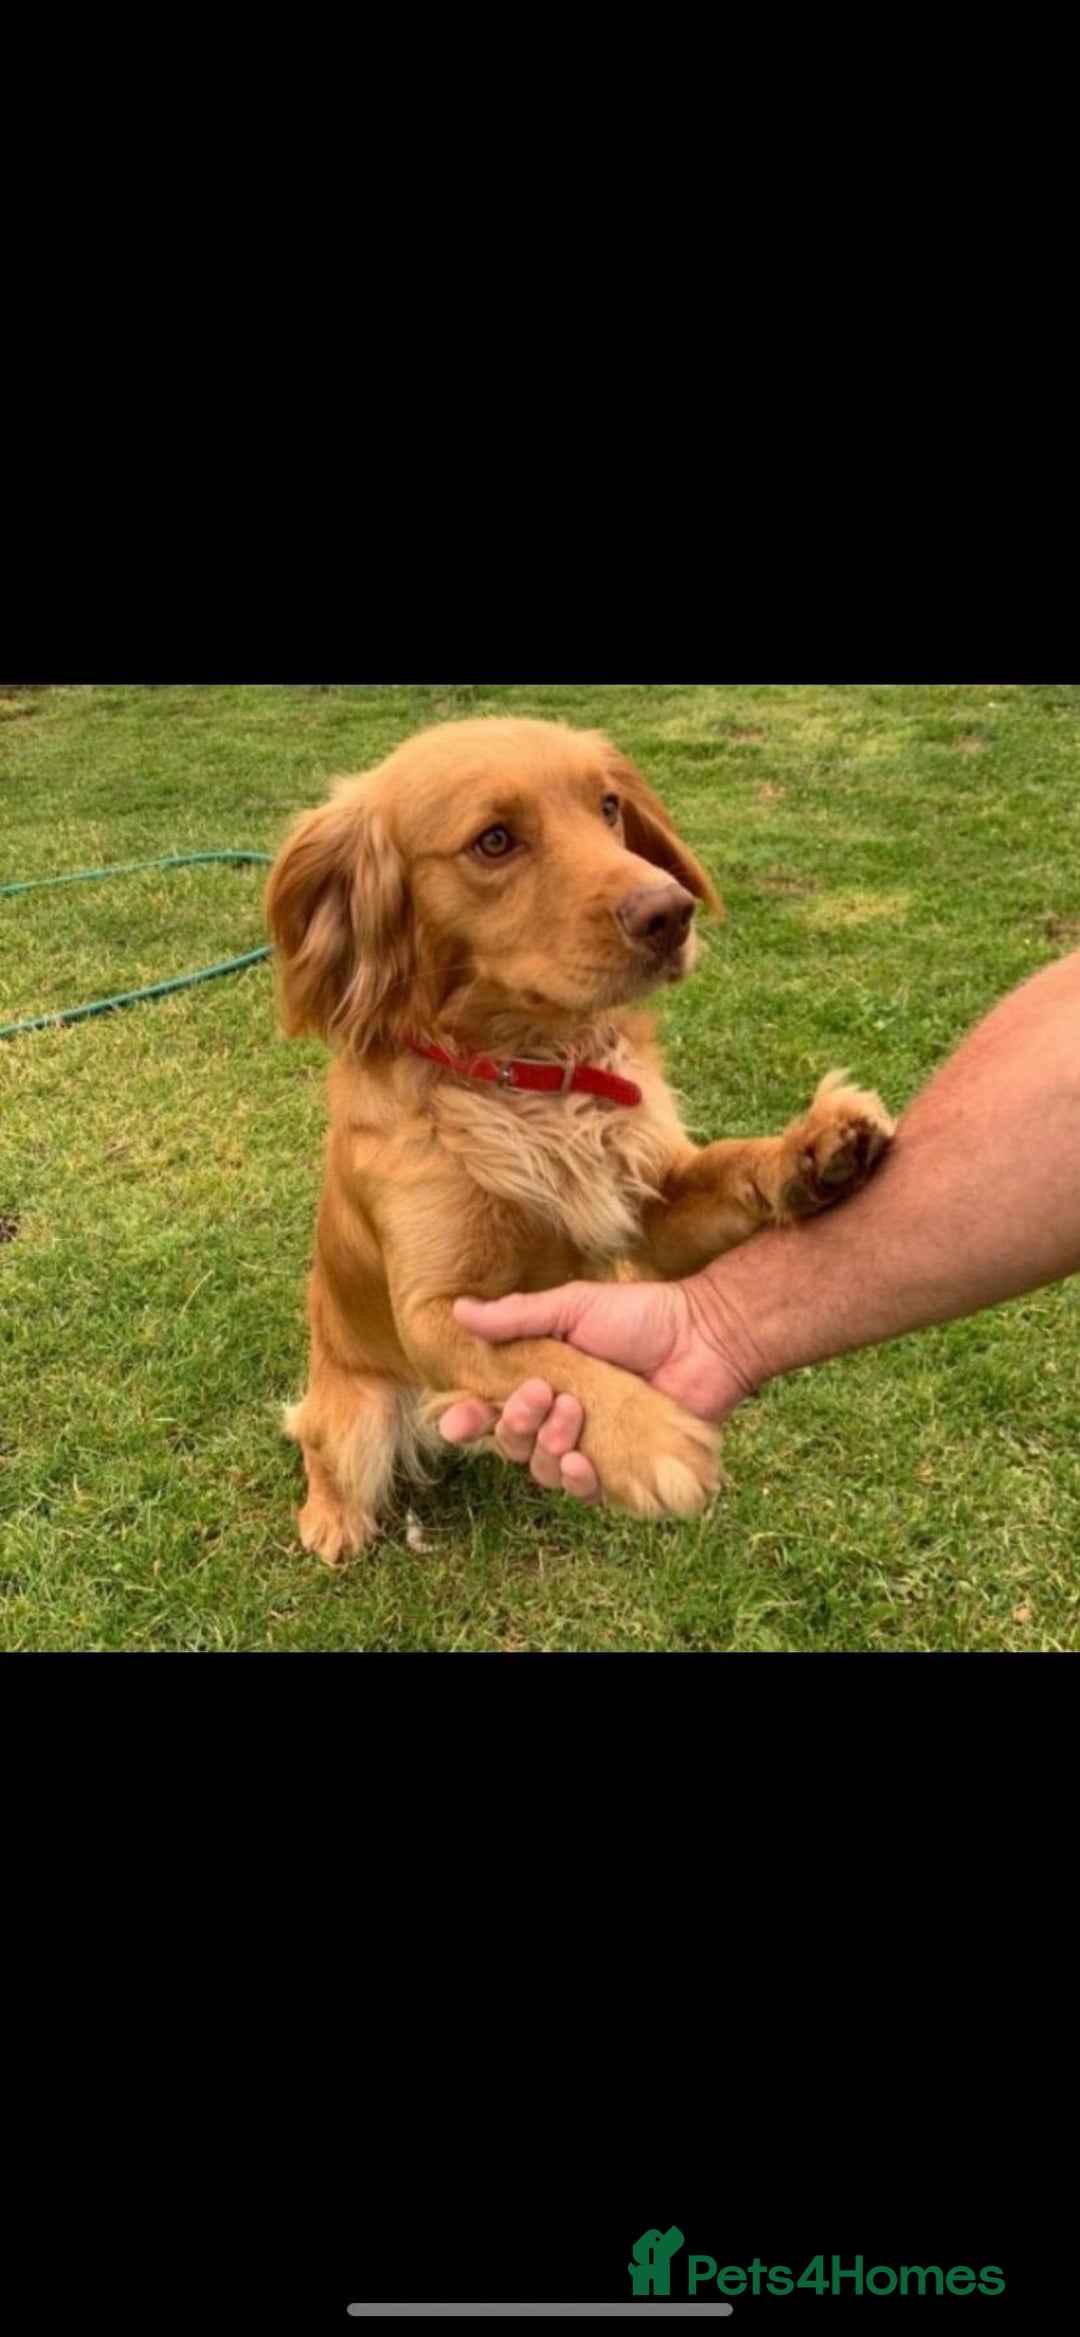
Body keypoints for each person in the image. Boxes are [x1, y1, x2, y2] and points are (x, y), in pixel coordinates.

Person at [438, 951, 1080, 1503]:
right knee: (362, 1430)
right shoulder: (395, 1124)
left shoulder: (604, 1050)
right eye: (496, 843)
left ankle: (786, 1172)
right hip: (384, 1371)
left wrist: (764, 1173)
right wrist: (608, 1405)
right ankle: (328, 1469)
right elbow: (434, 1316)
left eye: (608, 813)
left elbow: (661, 1216)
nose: (653, 885)